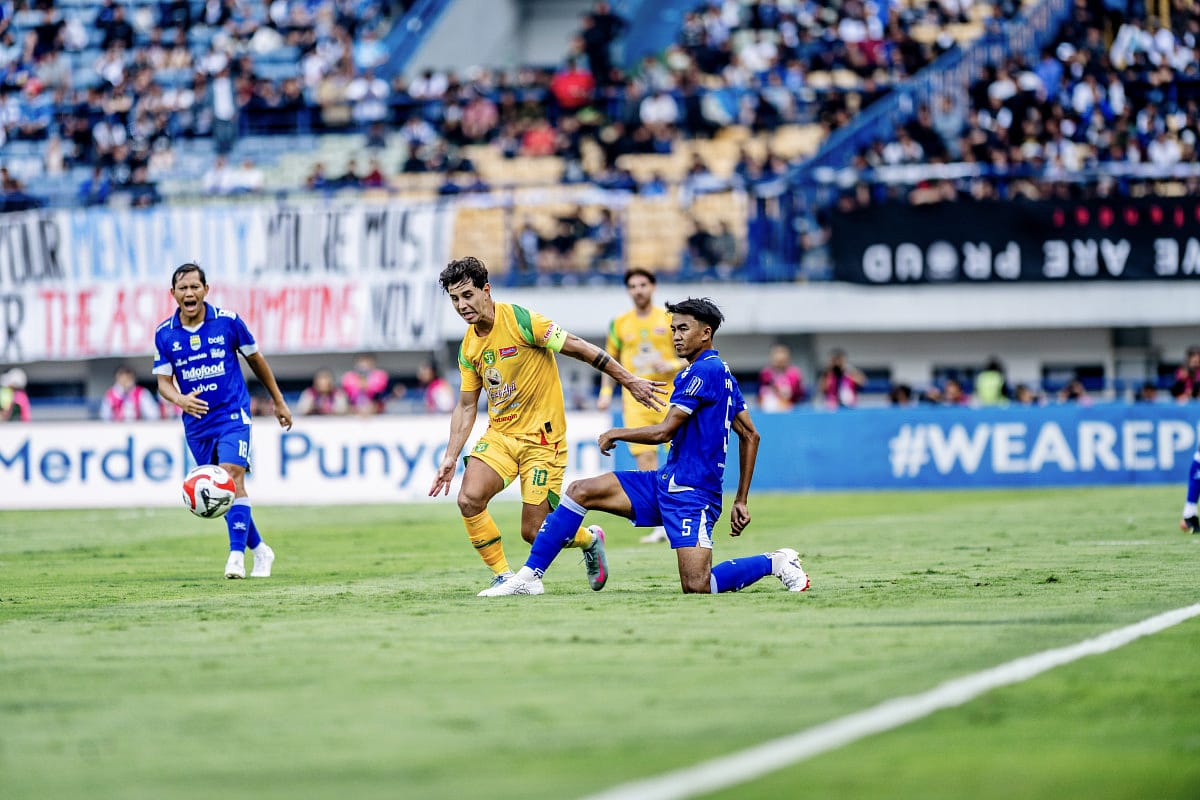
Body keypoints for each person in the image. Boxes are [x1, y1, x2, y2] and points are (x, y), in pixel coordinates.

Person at [481, 297, 809, 596]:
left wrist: (617, 433)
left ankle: (775, 562)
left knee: (698, 584)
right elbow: (750, 435)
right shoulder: (720, 372)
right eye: (673, 329)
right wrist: (740, 500)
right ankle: (529, 576)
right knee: (580, 491)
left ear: (706, 333)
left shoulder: (704, 372)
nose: (676, 336)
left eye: (684, 329)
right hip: (664, 482)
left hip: (692, 495)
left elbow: (665, 431)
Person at [429, 256, 667, 595]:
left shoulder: (523, 321)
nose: (461, 305)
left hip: (544, 440)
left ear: (486, 290)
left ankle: (588, 539)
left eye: (467, 295)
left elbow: (581, 349)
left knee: (534, 530)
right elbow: (467, 405)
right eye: (454, 299)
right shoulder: (469, 346)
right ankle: (503, 576)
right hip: (501, 436)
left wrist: (629, 381)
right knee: (468, 499)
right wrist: (451, 457)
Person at [153, 263, 292, 580]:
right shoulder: (165, 334)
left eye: (195, 287)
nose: (189, 293)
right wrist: (180, 399)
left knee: (231, 476)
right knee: (220, 491)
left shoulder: (228, 323)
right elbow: (162, 382)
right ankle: (260, 550)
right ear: (173, 293)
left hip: (232, 416)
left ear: (206, 289)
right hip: (197, 424)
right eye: (183, 288)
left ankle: (234, 558)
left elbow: (256, 360)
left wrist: (279, 401)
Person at [597, 268, 682, 543]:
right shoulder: (619, 323)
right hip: (635, 400)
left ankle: (679, 514)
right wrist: (606, 392)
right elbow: (609, 360)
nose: (638, 290)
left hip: (669, 395)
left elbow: (688, 355)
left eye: (643, 284)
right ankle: (659, 522)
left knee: (676, 456)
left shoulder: (668, 319)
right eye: (632, 286)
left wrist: (669, 364)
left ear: (653, 286)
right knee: (645, 460)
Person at [757, 343, 805, 412]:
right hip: (768, 410)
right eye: (776, 360)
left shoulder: (794, 374)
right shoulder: (766, 373)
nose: (779, 362)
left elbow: (796, 395)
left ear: (787, 359)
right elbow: (760, 393)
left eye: (782, 360)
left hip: (789, 410)